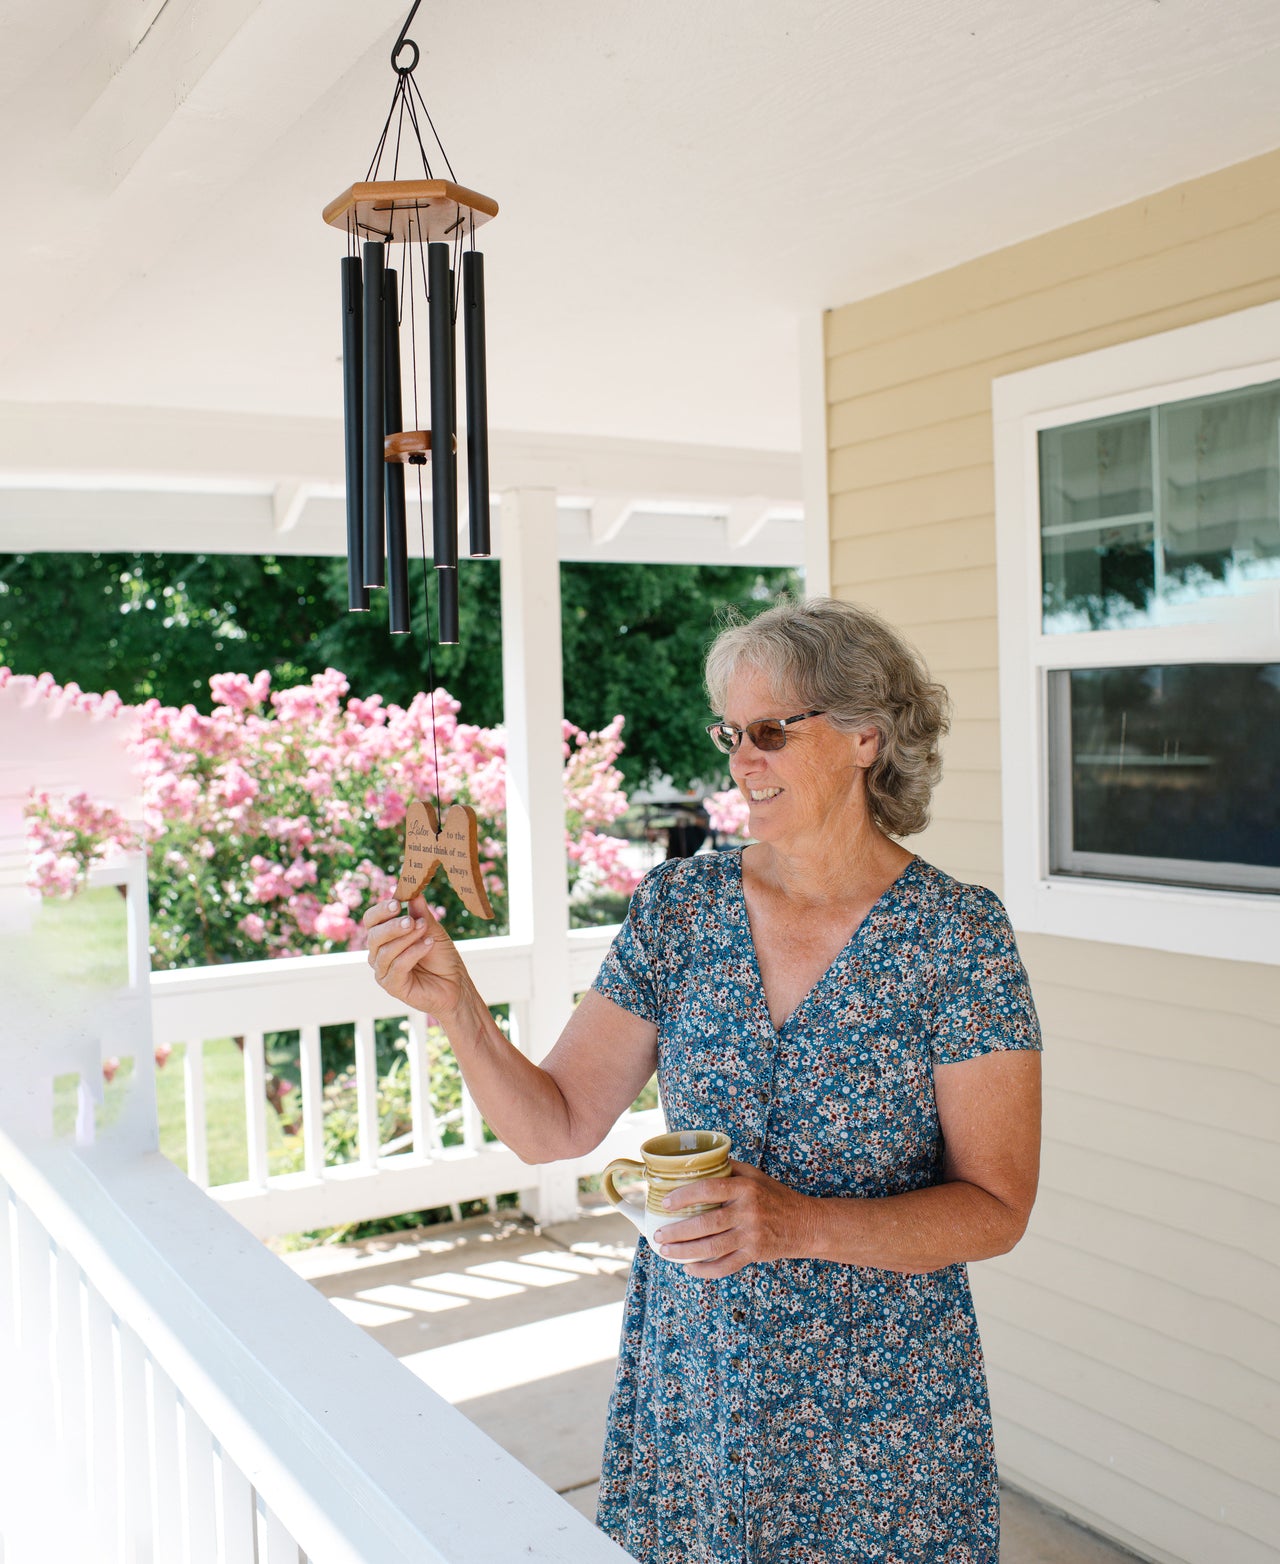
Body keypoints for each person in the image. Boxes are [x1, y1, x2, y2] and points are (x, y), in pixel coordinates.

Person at [363, 596, 1042, 1564]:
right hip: (699, 1376)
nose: (738, 760)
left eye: (769, 730)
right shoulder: (681, 907)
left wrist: (799, 1222)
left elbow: (994, 1206)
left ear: (863, 737)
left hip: (882, 1407)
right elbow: (555, 1124)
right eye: (729, 732)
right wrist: (457, 1010)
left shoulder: (956, 934)